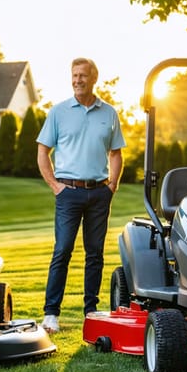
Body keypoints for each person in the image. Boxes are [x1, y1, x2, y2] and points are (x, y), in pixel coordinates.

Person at [36, 57, 126, 333]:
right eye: (74, 75)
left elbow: (116, 153)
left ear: (93, 79)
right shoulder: (59, 112)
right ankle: (51, 314)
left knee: (95, 254)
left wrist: (112, 186)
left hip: (99, 193)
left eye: (83, 76)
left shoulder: (109, 113)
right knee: (62, 250)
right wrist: (55, 186)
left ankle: (91, 311)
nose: (77, 80)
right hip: (68, 193)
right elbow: (42, 152)